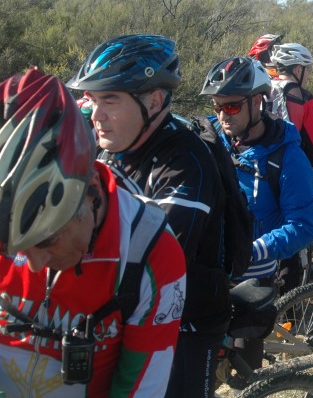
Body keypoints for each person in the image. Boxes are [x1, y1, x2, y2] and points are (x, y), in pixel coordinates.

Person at [0, 67, 186, 395]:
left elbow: (141, 390)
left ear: (92, 190)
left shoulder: (149, 250)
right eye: (9, 246)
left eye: (47, 238)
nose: (34, 263)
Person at [68, 34, 230, 397]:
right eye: (93, 99)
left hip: (187, 317)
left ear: (154, 101)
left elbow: (156, 262)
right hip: (122, 307)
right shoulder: (111, 145)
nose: (97, 115)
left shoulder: (187, 162)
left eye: (110, 99)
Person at [200, 56, 313, 372]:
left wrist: (250, 251)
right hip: (209, 269)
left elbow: (302, 227)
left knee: (244, 372)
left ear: (257, 102)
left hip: (252, 272)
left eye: (231, 106)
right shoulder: (211, 138)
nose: (223, 115)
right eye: (217, 106)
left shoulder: (288, 158)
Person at [269, 43, 313, 166]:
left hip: (257, 165)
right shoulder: (303, 98)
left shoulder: (264, 88)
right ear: (298, 70)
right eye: (307, 69)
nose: (308, 75)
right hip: (289, 167)